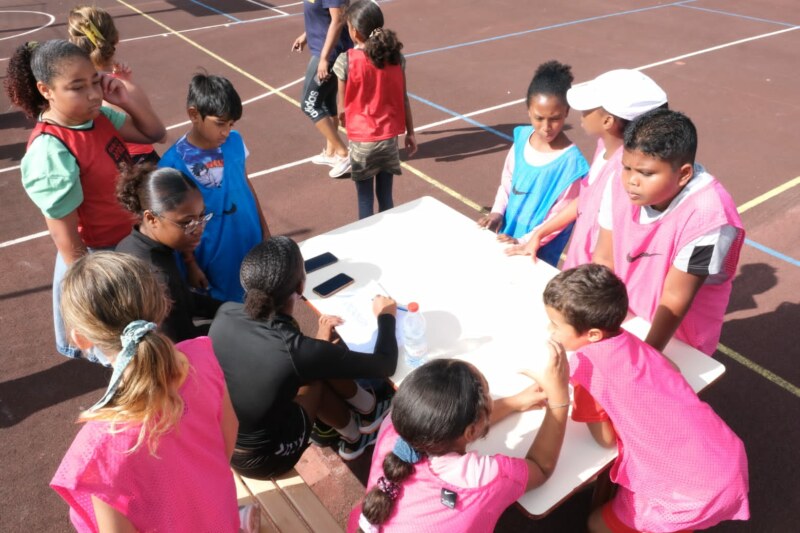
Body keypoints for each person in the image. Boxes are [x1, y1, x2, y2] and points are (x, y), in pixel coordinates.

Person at [50, 253, 256, 533]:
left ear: (80, 338)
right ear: (161, 305)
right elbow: (227, 436)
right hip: (219, 513)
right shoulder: (202, 357)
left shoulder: (97, 449)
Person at [543, 264, 749, 532]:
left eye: (555, 325)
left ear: (593, 334)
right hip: (726, 459)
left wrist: (560, 391)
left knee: (596, 524)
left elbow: (605, 441)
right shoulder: (627, 338)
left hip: (689, 494)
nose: (549, 330)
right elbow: (671, 370)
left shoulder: (586, 368)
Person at [4, 40, 165, 361]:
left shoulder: (99, 114)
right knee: (127, 355)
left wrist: (127, 96)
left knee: (149, 342)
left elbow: (153, 133)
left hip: (130, 246)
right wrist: (95, 302)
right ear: (46, 90)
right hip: (100, 261)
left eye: (94, 81)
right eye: (77, 87)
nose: (93, 93)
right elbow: (68, 244)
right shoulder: (51, 151)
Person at [209, 237, 399, 475]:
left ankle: (367, 409)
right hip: (264, 458)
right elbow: (386, 364)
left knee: (312, 361)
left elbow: (281, 357)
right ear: (300, 288)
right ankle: (354, 435)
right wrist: (386, 316)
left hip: (227, 438)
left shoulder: (225, 311)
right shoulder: (296, 351)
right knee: (315, 371)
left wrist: (317, 346)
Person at [353, 350, 570, 533]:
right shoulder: (480, 478)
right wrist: (559, 399)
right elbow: (541, 469)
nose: (491, 396)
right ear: (471, 430)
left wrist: (514, 402)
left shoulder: (393, 424)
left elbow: (450, 426)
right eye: (487, 394)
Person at [592, 109, 744, 355]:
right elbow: (604, 259)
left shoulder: (709, 216)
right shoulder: (620, 183)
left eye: (646, 173)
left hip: (677, 335)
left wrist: (650, 356)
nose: (631, 180)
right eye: (627, 168)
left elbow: (675, 297)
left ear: (683, 174)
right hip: (627, 314)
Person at [506, 70, 667, 268]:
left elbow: (612, 252)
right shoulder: (603, 147)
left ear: (607, 121)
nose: (581, 113)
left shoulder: (624, 176)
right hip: (578, 261)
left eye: (588, 108)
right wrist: (538, 234)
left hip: (591, 273)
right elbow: (586, 199)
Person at [159, 73, 270, 302]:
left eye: (231, 124)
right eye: (220, 123)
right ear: (194, 115)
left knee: (259, 299)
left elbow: (245, 182)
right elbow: (176, 224)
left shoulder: (235, 141)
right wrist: (190, 263)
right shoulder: (172, 165)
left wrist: (264, 229)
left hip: (248, 240)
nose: (226, 132)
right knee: (225, 310)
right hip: (211, 255)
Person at [476, 60, 589, 267]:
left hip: (537, 255)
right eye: (539, 118)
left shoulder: (572, 165)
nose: (546, 127)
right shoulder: (521, 139)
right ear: (528, 110)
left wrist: (525, 241)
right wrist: (497, 212)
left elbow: (559, 218)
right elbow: (508, 181)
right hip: (508, 239)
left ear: (566, 112)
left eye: (554, 119)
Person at [116, 164, 223, 343]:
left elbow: (183, 300)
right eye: (188, 222)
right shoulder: (158, 279)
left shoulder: (131, 244)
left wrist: (232, 310)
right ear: (151, 219)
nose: (199, 229)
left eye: (202, 216)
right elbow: (177, 345)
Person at [332, 0, 417, 219]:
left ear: (355, 32)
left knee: (365, 200)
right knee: (386, 196)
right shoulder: (396, 58)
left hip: (362, 141)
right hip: (389, 138)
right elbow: (404, 98)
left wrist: (343, 119)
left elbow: (341, 109)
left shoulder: (346, 61)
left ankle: (367, 240)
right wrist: (411, 133)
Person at [67, 4, 163, 164]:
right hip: (142, 165)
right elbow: (161, 136)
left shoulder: (70, 95)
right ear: (116, 38)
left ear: (73, 43)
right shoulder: (126, 88)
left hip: (106, 168)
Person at [293, 0, 353, 178]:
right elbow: (321, 16)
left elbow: (339, 19)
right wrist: (306, 35)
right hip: (322, 48)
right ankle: (331, 153)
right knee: (326, 103)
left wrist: (325, 59)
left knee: (309, 105)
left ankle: (343, 153)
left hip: (331, 54)